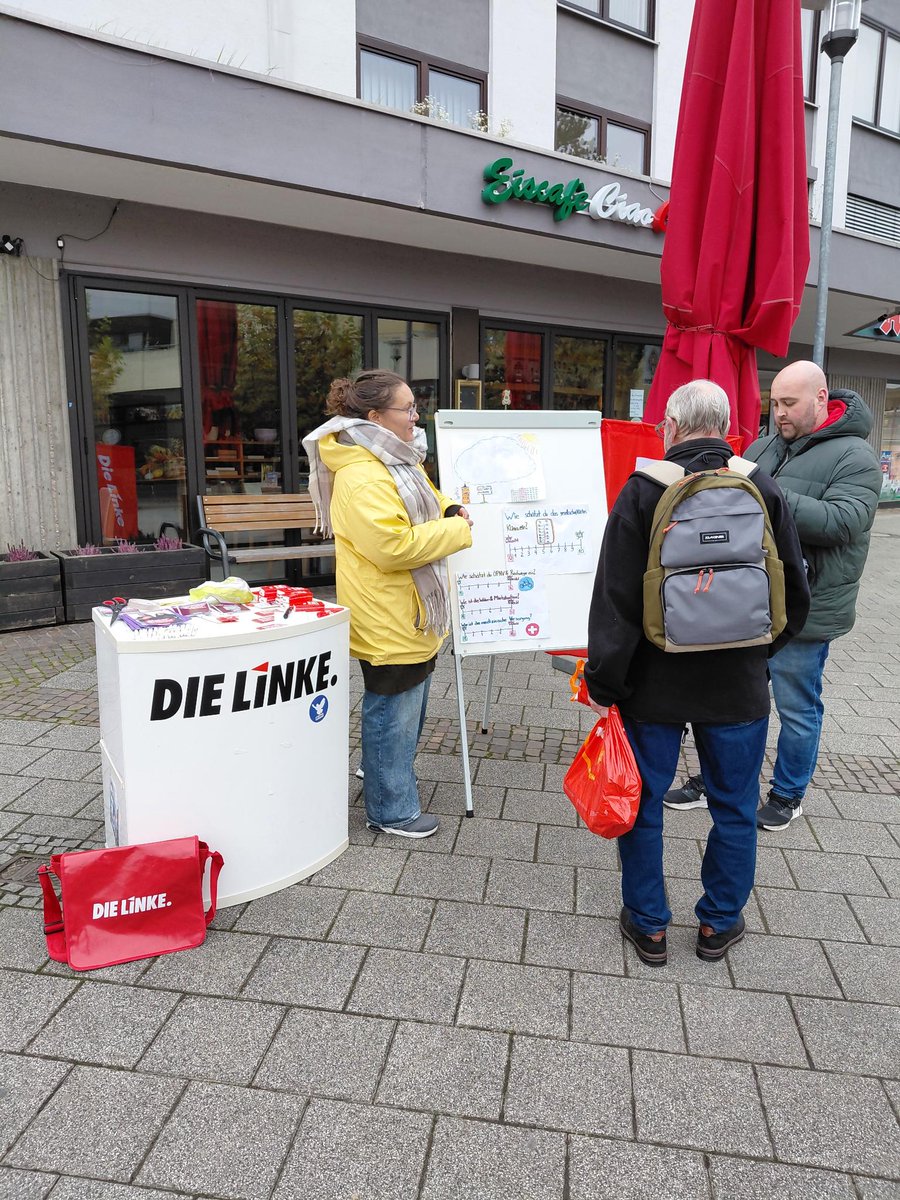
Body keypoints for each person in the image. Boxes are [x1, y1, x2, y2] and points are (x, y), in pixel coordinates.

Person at [584, 380, 809, 964]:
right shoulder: (760, 485)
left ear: (670, 428)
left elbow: (615, 601)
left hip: (652, 687)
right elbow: (794, 595)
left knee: (645, 804)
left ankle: (649, 924)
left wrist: (606, 683)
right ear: (728, 426)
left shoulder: (642, 490)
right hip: (738, 687)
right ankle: (718, 924)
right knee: (735, 805)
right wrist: (756, 656)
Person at [665, 362, 881, 832]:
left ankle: (788, 794)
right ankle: (716, 781)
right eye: (774, 403)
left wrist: (769, 491)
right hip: (748, 603)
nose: (778, 413)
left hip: (808, 605)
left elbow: (843, 522)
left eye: (789, 404)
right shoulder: (766, 443)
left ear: (822, 398)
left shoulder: (856, 457)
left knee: (797, 705)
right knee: (733, 699)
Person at [303, 369, 473, 838]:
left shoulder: (396, 459)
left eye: (415, 407)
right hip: (389, 612)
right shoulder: (363, 474)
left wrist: (448, 511)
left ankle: (379, 772)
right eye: (408, 409)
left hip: (410, 609)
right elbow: (392, 547)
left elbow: (427, 501)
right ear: (376, 416)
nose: (415, 417)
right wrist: (458, 531)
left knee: (405, 703)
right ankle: (391, 808)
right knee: (393, 708)